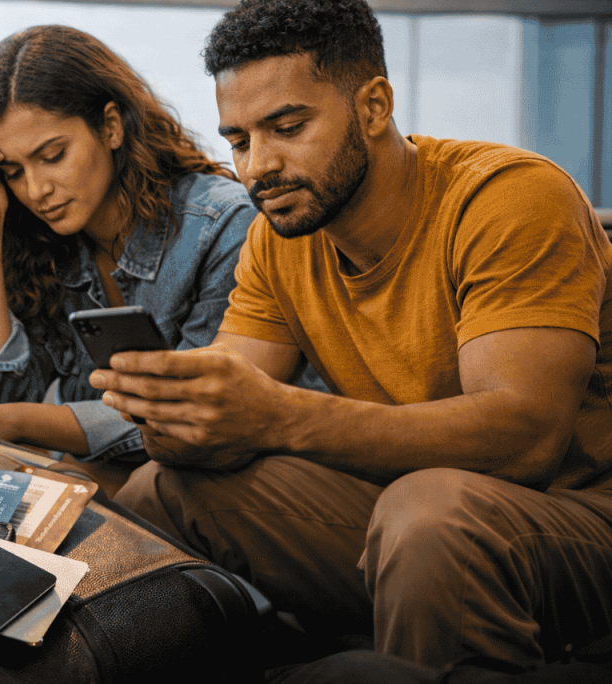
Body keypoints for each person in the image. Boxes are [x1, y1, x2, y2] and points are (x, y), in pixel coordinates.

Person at [90, 0, 612, 673]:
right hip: (416, 508)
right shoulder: (280, 240)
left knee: (429, 513)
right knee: (161, 489)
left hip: (576, 517)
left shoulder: (508, 199)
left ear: (373, 107)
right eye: (240, 140)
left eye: (286, 127)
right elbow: (229, 396)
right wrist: (177, 415)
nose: (256, 168)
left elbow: (529, 438)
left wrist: (279, 417)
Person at [0, 25, 279, 467]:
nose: (36, 190)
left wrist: (19, 421)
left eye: (52, 156)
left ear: (110, 127)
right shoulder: (44, 247)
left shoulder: (224, 227)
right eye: (13, 171)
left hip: (210, 485)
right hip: (116, 480)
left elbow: (195, 414)